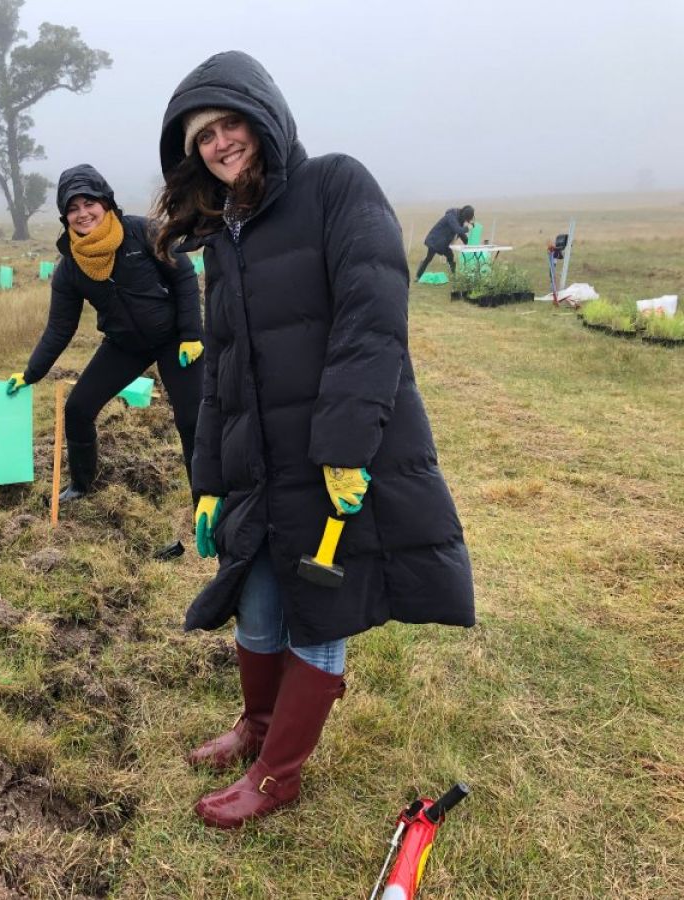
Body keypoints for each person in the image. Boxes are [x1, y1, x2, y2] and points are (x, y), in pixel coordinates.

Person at [154, 51, 475, 829]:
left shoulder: (336, 185)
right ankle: (256, 729)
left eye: (230, 123)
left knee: (319, 613)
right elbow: (223, 370)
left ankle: (279, 774)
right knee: (258, 607)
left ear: (264, 116)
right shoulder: (224, 235)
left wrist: (343, 449)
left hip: (338, 458)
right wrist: (207, 481)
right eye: (203, 136)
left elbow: (373, 321)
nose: (221, 143)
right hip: (261, 465)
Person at [6, 164, 203, 503]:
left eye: (89, 203)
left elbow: (183, 275)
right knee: (78, 409)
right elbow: (59, 327)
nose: (82, 214)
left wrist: (191, 334)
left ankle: (206, 498)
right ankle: (82, 486)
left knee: (192, 418)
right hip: (124, 345)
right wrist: (30, 373)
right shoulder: (70, 267)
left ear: (106, 203)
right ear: (64, 216)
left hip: (175, 339)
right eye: (72, 208)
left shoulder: (143, 232)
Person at [414, 205, 474, 281]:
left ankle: (453, 277)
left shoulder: (459, 219)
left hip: (443, 242)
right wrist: (467, 228)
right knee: (429, 258)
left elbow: (461, 234)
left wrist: (468, 243)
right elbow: (458, 230)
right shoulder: (451, 216)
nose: (467, 220)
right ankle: (418, 276)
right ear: (465, 215)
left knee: (450, 256)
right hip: (435, 240)